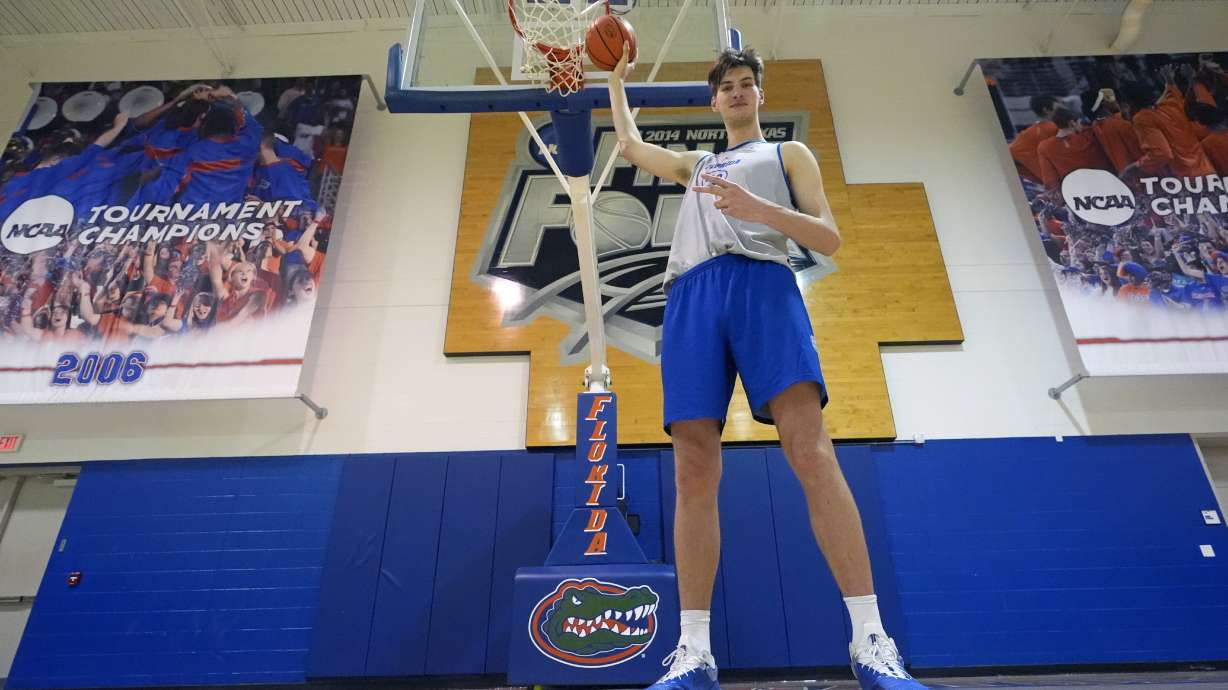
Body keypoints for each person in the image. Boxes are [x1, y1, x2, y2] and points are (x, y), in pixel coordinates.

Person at [608, 46, 926, 690]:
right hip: (693, 295)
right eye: (726, 86)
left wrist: (761, 213)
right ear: (713, 100)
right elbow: (631, 145)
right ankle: (693, 653)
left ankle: (872, 642)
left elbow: (829, 237)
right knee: (693, 469)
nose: (737, 92)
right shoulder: (697, 163)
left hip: (764, 285)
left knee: (810, 451)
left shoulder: (787, 155)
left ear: (759, 95)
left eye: (746, 84)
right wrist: (614, 78)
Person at [1008, 95, 1060, 184]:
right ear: (1046, 110)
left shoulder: (1028, 135)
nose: (1063, 111)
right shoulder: (1053, 128)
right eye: (1059, 108)